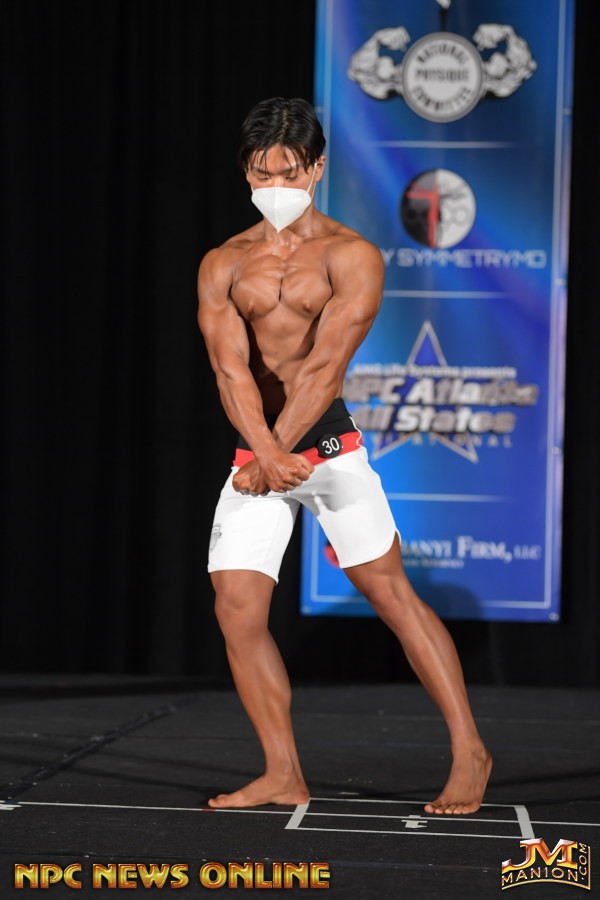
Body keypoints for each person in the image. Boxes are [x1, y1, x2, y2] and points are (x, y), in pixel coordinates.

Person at [196, 96, 492, 815]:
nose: (275, 185)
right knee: (236, 607)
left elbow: (327, 368)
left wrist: (276, 455)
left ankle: (470, 751)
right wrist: (265, 455)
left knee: (390, 593)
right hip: (258, 454)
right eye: (262, 172)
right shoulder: (223, 263)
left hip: (328, 449)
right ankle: (282, 772)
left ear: (317, 168)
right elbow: (230, 373)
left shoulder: (350, 255)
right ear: (245, 171)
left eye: (289, 171)